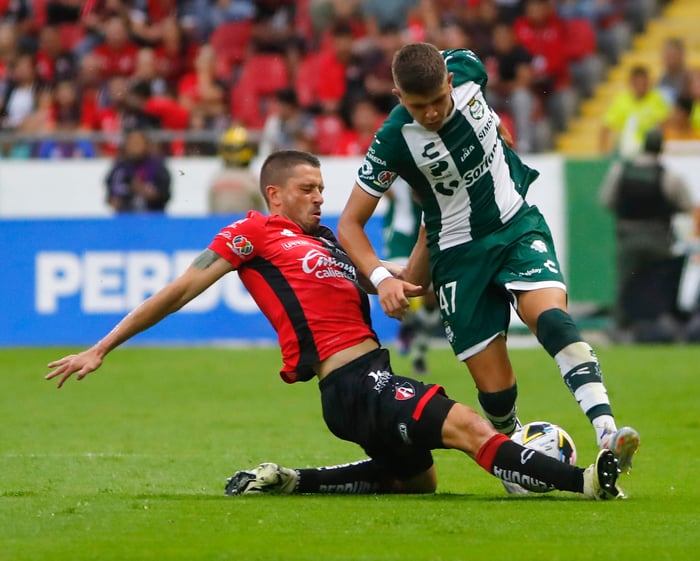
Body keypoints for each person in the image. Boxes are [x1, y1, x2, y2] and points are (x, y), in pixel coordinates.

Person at [45, 150, 624, 500]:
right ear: (275, 193)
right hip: (352, 382)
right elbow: (177, 292)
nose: (320, 199)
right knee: (470, 426)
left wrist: (433, 222)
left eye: (323, 189)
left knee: (418, 482)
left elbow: (406, 284)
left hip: (366, 383)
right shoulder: (252, 233)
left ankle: (294, 479)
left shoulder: (328, 243)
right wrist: (101, 347)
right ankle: (586, 483)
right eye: (307, 189)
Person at [337, 43, 640, 474]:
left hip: (515, 225)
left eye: (439, 100)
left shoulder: (466, 66)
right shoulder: (392, 140)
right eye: (418, 106)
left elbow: (477, 93)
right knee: (496, 391)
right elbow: (350, 223)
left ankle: (607, 431)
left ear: (450, 80)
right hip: (458, 257)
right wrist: (383, 277)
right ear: (398, 97)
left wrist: (495, 122)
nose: (431, 114)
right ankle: (517, 454)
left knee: (551, 318)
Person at [599, 128, 695, 339]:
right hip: (659, 238)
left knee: (624, 283)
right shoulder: (668, 176)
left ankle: (620, 328)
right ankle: (660, 327)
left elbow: (606, 200)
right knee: (659, 284)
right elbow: (687, 205)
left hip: (628, 237)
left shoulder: (621, 170)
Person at [381, 176, 439, 375]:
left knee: (432, 298)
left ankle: (419, 352)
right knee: (405, 284)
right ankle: (408, 323)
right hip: (400, 234)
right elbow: (377, 184)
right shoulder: (392, 153)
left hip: (428, 230)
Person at [104, 130, 172, 213]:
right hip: (125, 218)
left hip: (152, 217)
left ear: (146, 145)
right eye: (132, 143)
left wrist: (146, 192)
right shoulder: (119, 168)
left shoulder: (157, 166)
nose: (134, 147)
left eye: (138, 143)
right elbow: (111, 194)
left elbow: (165, 194)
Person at [208, 125, 266, 214]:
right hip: (246, 225)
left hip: (223, 226)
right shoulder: (252, 179)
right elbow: (262, 210)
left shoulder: (216, 179)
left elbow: (212, 211)